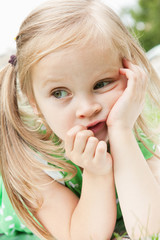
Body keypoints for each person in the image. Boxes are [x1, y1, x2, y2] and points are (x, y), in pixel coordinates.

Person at [0, 0, 160, 239]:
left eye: (102, 84)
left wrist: (122, 131)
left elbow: (150, 229)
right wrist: (96, 173)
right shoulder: (34, 161)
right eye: (60, 93)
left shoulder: (129, 123)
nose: (87, 108)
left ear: (131, 74)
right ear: (35, 105)